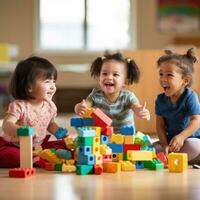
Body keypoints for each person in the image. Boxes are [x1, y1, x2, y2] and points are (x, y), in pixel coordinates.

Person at [0, 56, 67, 168]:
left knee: (63, 146)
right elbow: (7, 125)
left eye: (53, 81)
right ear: (29, 87)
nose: (52, 86)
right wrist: (20, 130)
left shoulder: (50, 106)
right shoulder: (19, 106)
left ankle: (36, 157)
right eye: (47, 81)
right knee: (12, 155)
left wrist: (59, 132)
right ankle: (35, 159)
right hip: (15, 145)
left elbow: (50, 124)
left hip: (38, 146)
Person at [74, 52, 150, 133]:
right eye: (104, 73)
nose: (109, 77)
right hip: (103, 137)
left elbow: (136, 107)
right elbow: (85, 105)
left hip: (124, 137)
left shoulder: (128, 97)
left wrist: (140, 111)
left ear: (125, 81)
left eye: (115, 74)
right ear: (99, 78)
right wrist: (79, 107)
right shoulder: (95, 96)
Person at [155, 48, 200, 164]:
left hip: (190, 139)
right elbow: (159, 125)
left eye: (169, 75)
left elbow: (196, 120)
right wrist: (164, 144)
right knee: (152, 148)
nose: (163, 79)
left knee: (194, 146)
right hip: (171, 140)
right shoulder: (160, 99)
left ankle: (179, 158)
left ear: (185, 81)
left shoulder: (190, 96)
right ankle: (172, 156)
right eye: (161, 74)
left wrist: (181, 137)